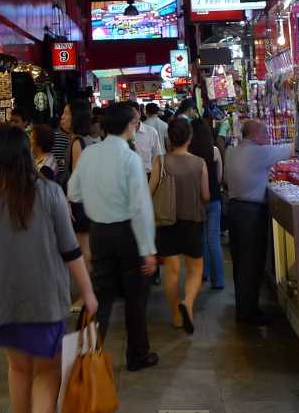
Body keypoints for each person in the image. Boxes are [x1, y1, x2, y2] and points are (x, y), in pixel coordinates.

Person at [0, 127, 98, 413]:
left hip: (2, 302)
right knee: (46, 371)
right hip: (44, 301)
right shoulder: (50, 192)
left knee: (18, 370)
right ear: (26, 155)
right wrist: (88, 293)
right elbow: (71, 249)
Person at [67, 101, 159, 371]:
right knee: (135, 298)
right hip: (128, 234)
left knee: (100, 296)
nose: (136, 125)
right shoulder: (129, 159)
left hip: (99, 233)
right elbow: (140, 208)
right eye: (134, 121)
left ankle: (84, 357)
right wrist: (148, 249)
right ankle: (137, 356)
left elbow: (73, 192)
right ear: (128, 125)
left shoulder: (90, 154)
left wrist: (97, 198)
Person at [225, 119, 290, 324]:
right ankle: (249, 313)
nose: (268, 138)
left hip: (235, 209)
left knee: (241, 263)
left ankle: (244, 307)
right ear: (254, 135)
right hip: (250, 214)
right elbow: (292, 149)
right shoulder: (257, 152)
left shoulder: (232, 151)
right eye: (265, 134)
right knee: (251, 263)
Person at [151, 117, 209, 334]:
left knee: (172, 272)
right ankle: (188, 303)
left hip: (167, 222)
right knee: (195, 270)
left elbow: (151, 191)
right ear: (189, 137)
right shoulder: (199, 163)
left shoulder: (160, 161)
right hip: (193, 221)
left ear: (169, 138)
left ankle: (176, 315)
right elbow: (205, 195)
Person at [189, 118, 226, 290]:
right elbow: (219, 177)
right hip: (214, 198)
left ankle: (203, 272)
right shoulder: (215, 151)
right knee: (213, 239)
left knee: (200, 238)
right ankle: (218, 280)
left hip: (196, 200)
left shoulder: (188, 153)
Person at [61, 100, 95, 267]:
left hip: (80, 203)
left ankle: (88, 290)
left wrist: (68, 202)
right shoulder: (86, 140)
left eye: (67, 114)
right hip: (88, 201)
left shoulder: (77, 143)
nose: (62, 118)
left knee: (83, 247)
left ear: (76, 118)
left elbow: (77, 177)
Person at [129, 102, 164, 176]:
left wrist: (158, 177)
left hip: (148, 176)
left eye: (133, 113)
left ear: (139, 113)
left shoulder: (151, 132)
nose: (131, 117)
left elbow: (157, 156)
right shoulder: (120, 134)